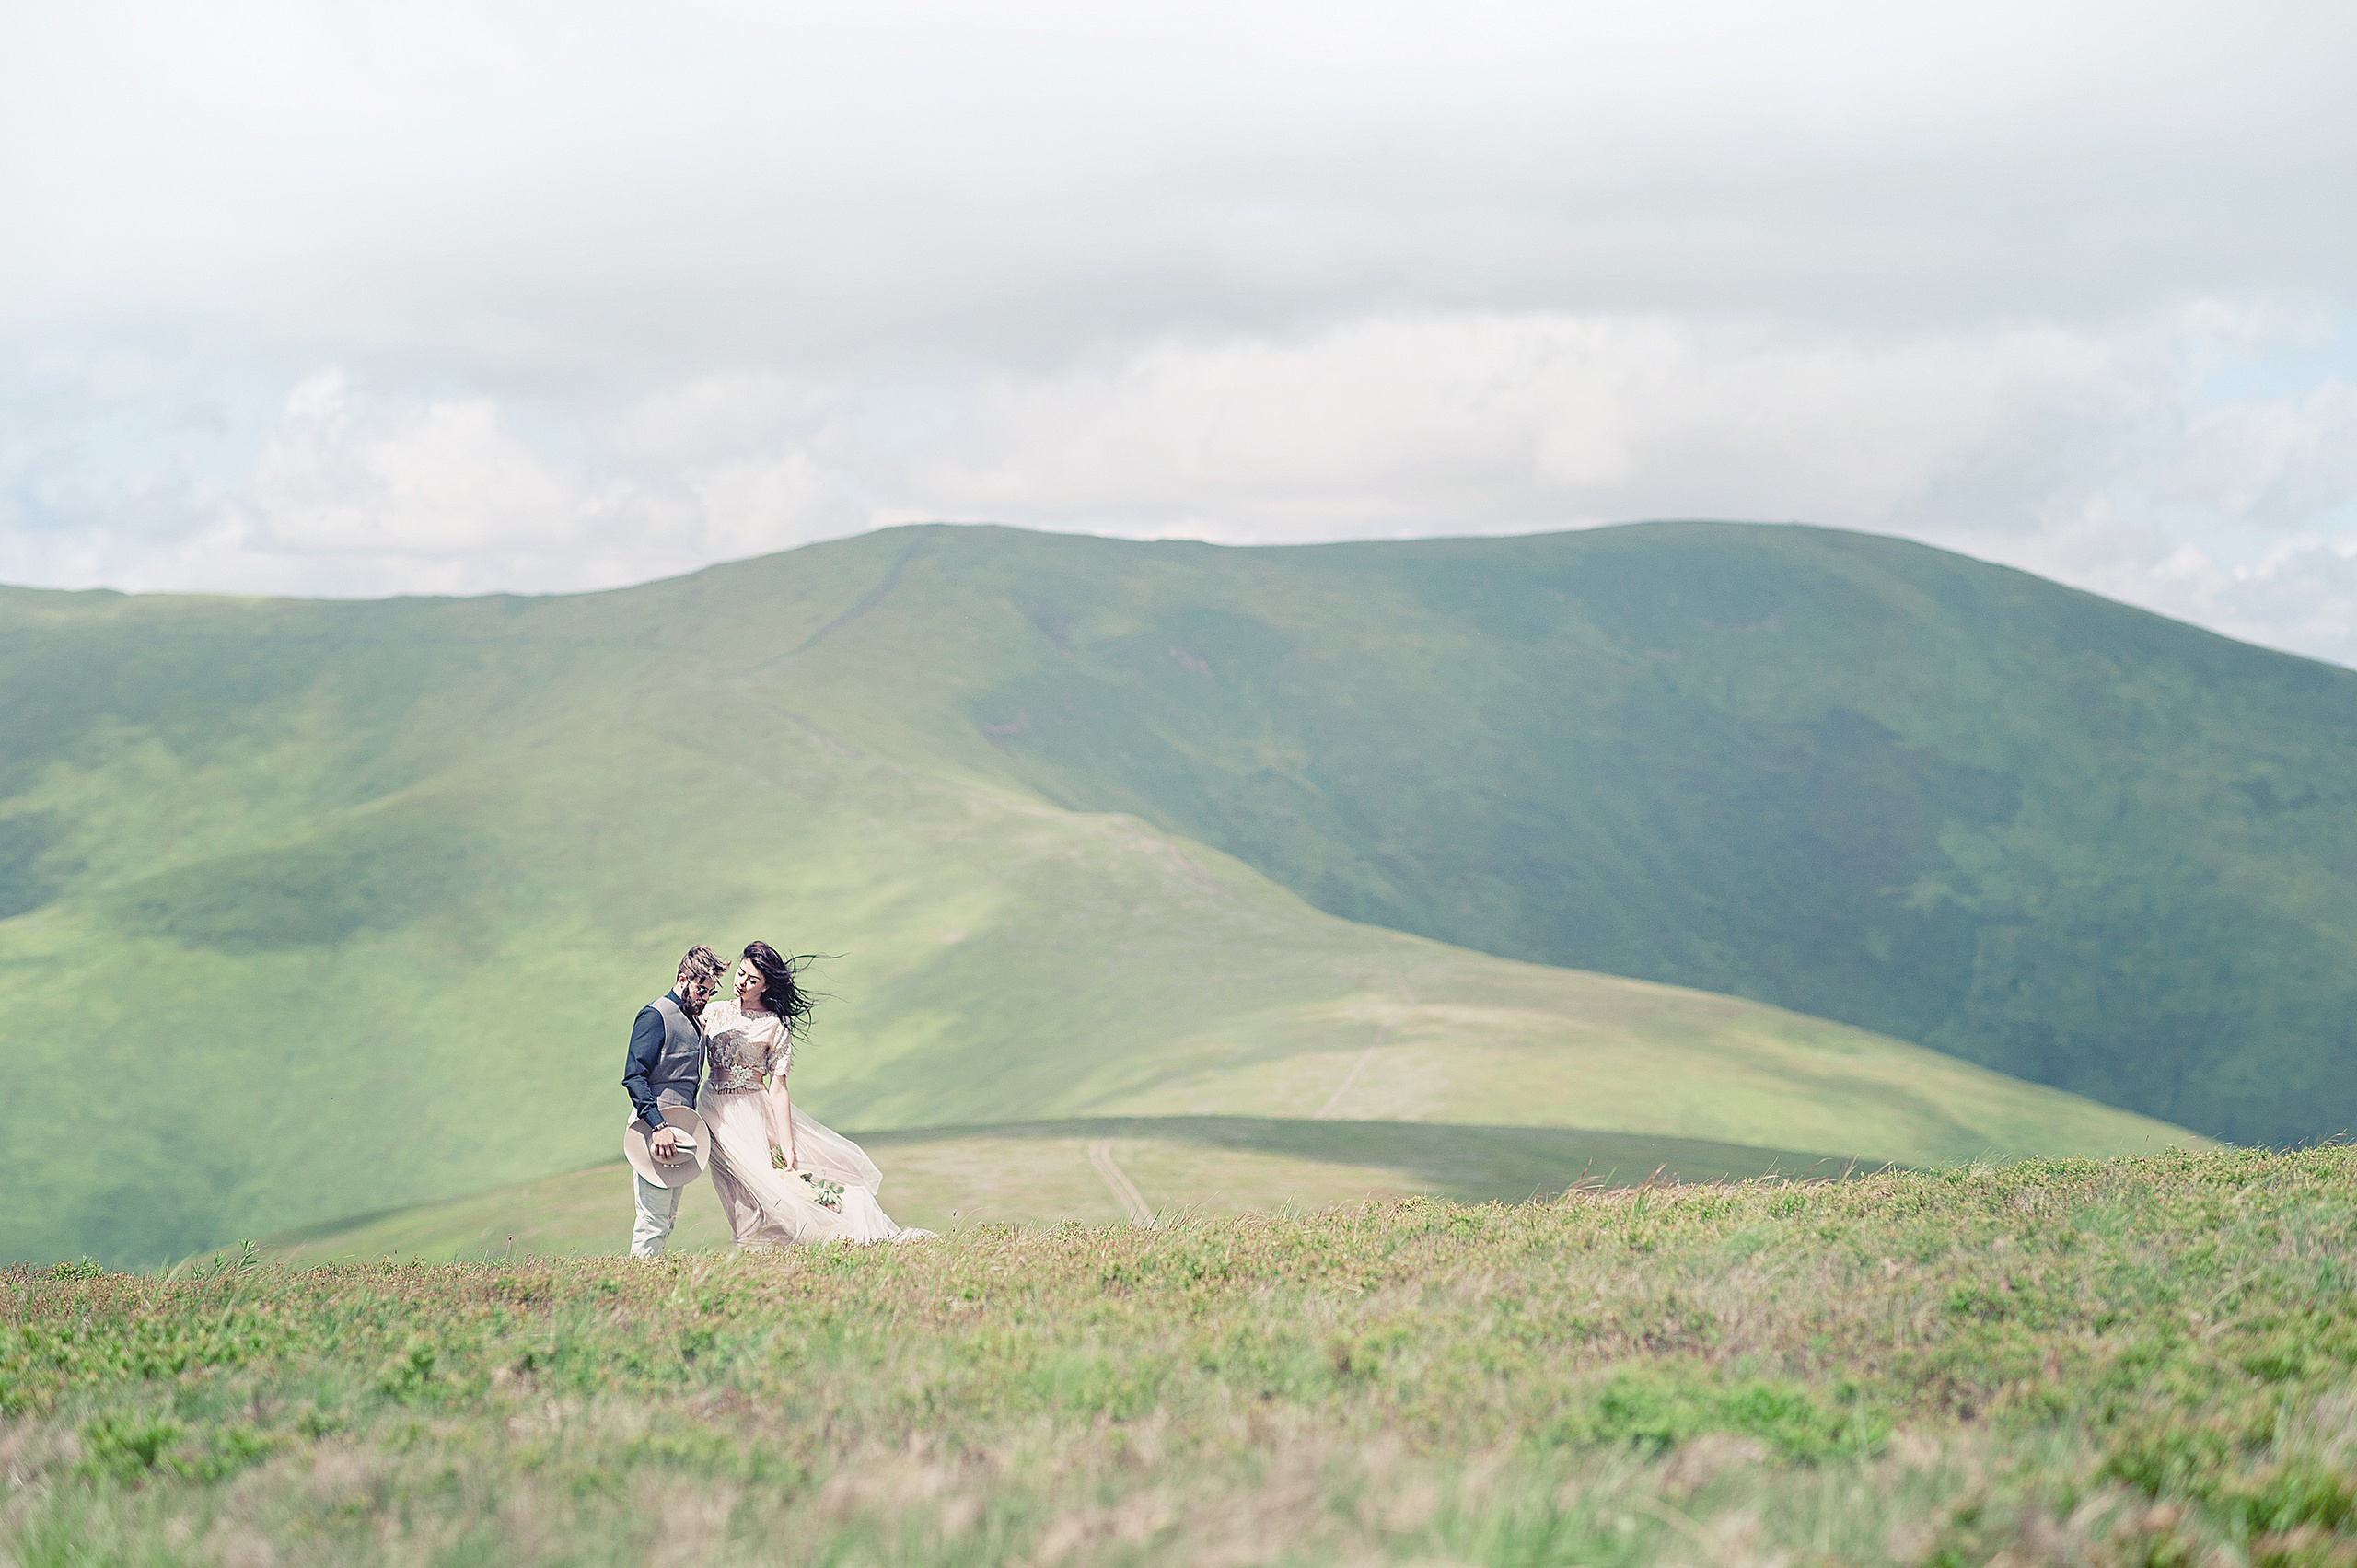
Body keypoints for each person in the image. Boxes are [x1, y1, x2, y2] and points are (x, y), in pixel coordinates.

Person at [698, 941, 935, 1247]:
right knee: (732, 1182)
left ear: (766, 985)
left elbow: (778, 1088)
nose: (742, 982)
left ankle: (817, 1238)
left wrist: (788, 1145)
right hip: (713, 1109)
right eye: (741, 974)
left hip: (752, 1111)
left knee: (769, 1183)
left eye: (752, 980)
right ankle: (748, 1245)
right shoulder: (714, 1012)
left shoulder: (774, 1026)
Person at [621, 945, 726, 1259]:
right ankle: (635, 1290)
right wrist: (658, 1126)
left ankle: (649, 1284)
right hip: (656, 1130)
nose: (705, 997)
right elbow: (634, 1076)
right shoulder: (655, 1015)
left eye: (710, 991)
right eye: (701, 989)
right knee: (652, 1221)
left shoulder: (694, 1018)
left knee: (666, 1222)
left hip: (680, 1131)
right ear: (683, 979)